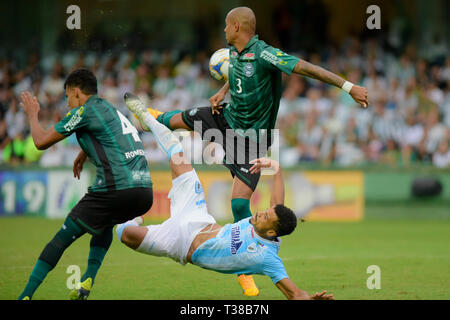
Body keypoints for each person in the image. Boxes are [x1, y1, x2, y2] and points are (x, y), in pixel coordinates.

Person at [125, 6, 368, 296]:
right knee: (183, 118)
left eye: (227, 26)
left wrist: (348, 86)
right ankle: (149, 118)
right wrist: (223, 91)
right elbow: (239, 73)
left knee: (239, 203)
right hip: (227, 118)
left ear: (238, 27)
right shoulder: (237, 54)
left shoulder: (265, 54)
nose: (224, 30)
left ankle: (243, 269)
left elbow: (303, 67)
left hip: (250, 142)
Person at [116, 102, 334, 300]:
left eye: (265, 216)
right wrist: (276, 169)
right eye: (265, 211)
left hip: (180, 244)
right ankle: (149, 120)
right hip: (198, 217)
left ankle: (135, 220)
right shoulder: (268, 223)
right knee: (178, 155)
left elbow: (294, 293)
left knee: (124, 234)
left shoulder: (267, 258)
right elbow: (277, 204)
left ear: (271, 233)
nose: (258, 213)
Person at [17, 69, 153, 300]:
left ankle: (25, 296)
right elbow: (111, 137)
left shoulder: (84, 110)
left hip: (116, 188)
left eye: (68, 97)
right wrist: (84, 152)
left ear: (77, 93)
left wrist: (32, 114)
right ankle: (86, 284)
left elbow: (40, 142)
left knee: (61, 238)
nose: (68, 103)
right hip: (144, 191)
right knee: (106, 222)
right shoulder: (109, 108)